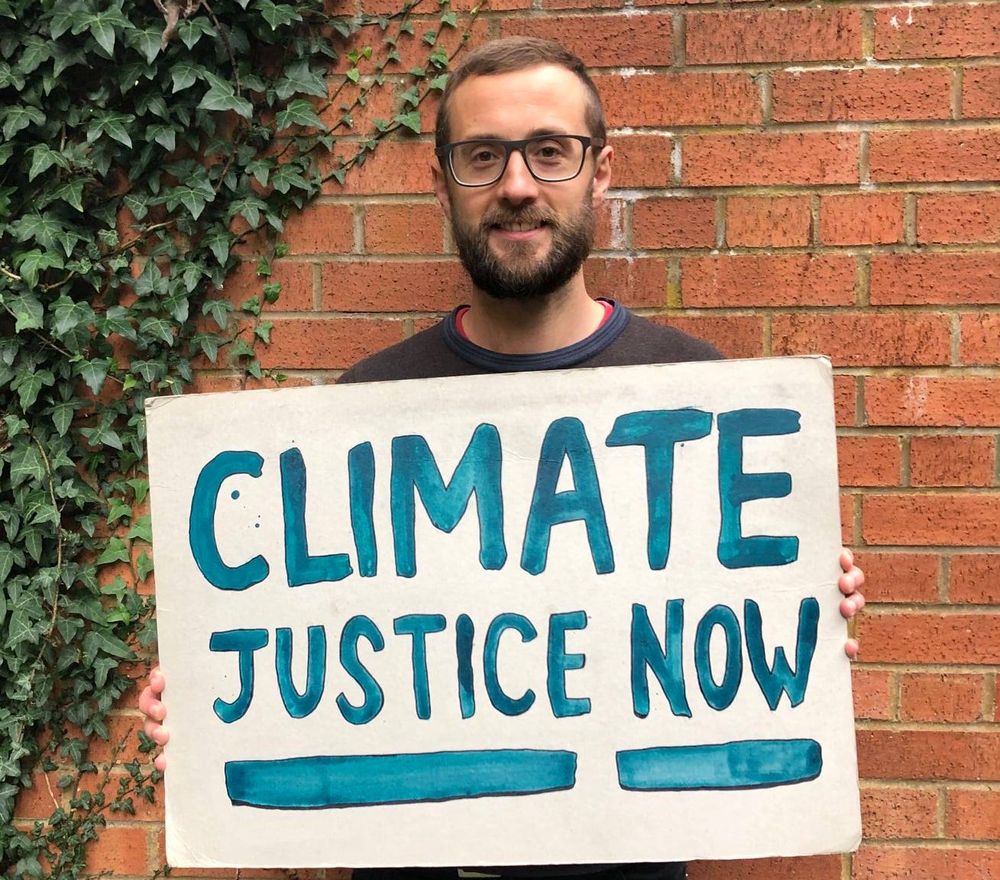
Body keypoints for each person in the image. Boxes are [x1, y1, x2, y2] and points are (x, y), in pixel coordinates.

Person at [140, 36, 866, 880]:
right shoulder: (360, 409)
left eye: (549, 152)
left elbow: (741, 671)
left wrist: (800, 606)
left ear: (599, 172)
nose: (517, 185)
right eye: (482, 156)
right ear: (441, 183)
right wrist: (217, 707)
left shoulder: (701, 396)